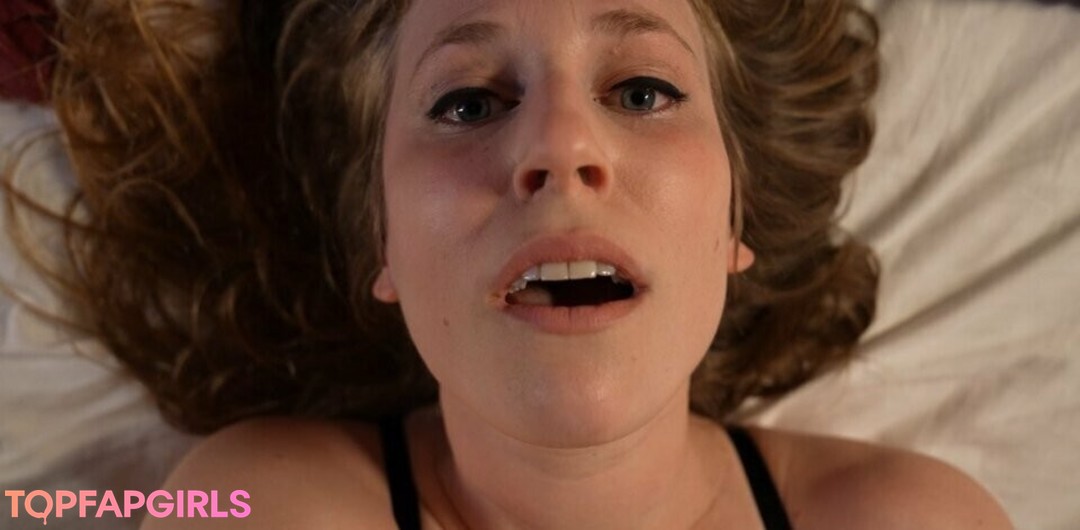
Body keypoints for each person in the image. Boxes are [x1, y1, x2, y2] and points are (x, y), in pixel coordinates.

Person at [4, 0, 1013, 528]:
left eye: (644, 91)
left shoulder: (918, 522)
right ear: (383, 239)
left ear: (738, 212)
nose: (560, 147)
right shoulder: (259, 506)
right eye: (468, 102)